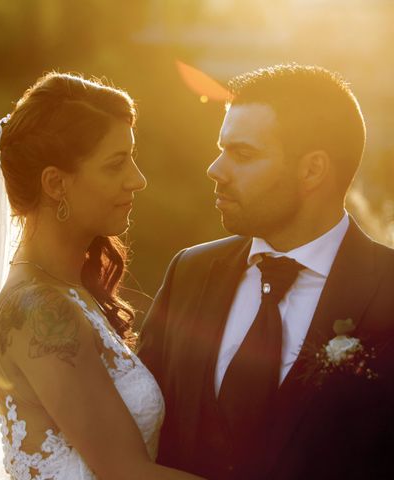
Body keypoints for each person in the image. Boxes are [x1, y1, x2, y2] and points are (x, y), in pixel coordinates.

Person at [0, 72, 203, 480]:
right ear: (55, 183)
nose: (138, 179)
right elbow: (125, 472)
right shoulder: (37, 310)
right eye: (117, 164)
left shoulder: (67, 290)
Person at [139, 64, 394, 480]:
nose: (215, 170)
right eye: (221, 149)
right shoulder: (189, 272)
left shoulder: (388, 289)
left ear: (312, 170)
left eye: (242, 154)